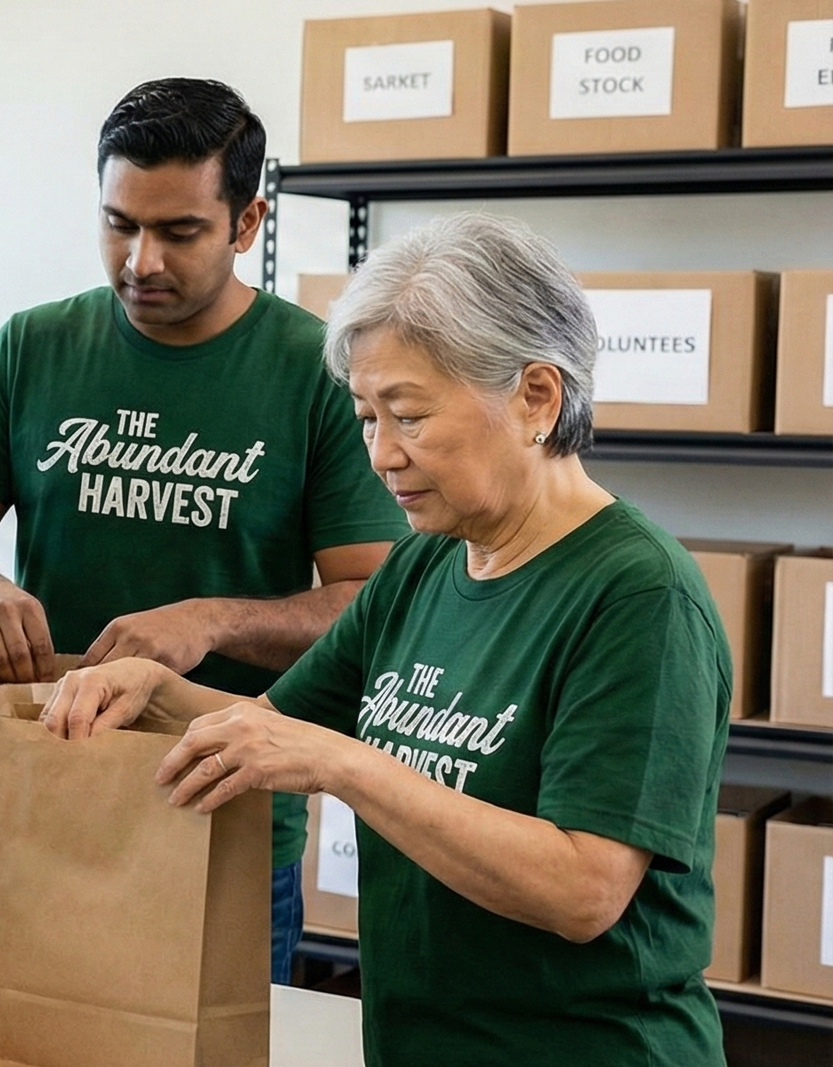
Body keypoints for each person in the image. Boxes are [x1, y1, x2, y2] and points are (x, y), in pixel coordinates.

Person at [48, 212, 729, 1065]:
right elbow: (271, 725)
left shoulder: (638, 596)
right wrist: (158, 690)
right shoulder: (421, 569)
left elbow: (583, 887)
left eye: (408, 415)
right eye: (367, 417)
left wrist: (346, 764)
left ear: (536, 398)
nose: (381, 455)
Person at [0, 78, 408, 979]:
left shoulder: (318, 371)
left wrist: (210, 620)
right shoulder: (31, 347)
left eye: (179, 232)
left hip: (222, 798)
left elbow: (372, 607)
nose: (141, 261)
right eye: (119, 223)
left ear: (247, 223)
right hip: (38, 780)